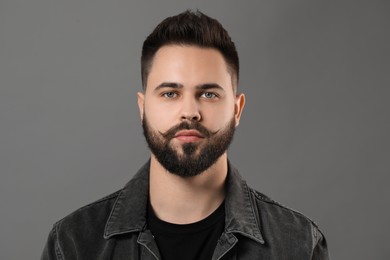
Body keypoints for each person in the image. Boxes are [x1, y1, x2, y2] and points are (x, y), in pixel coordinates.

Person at [41, 10, 329, 260]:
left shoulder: (299, 244)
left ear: (237, 109)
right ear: (143, 108)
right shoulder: (73, 244)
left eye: (208, 94)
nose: (189, 112)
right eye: (170, 93)